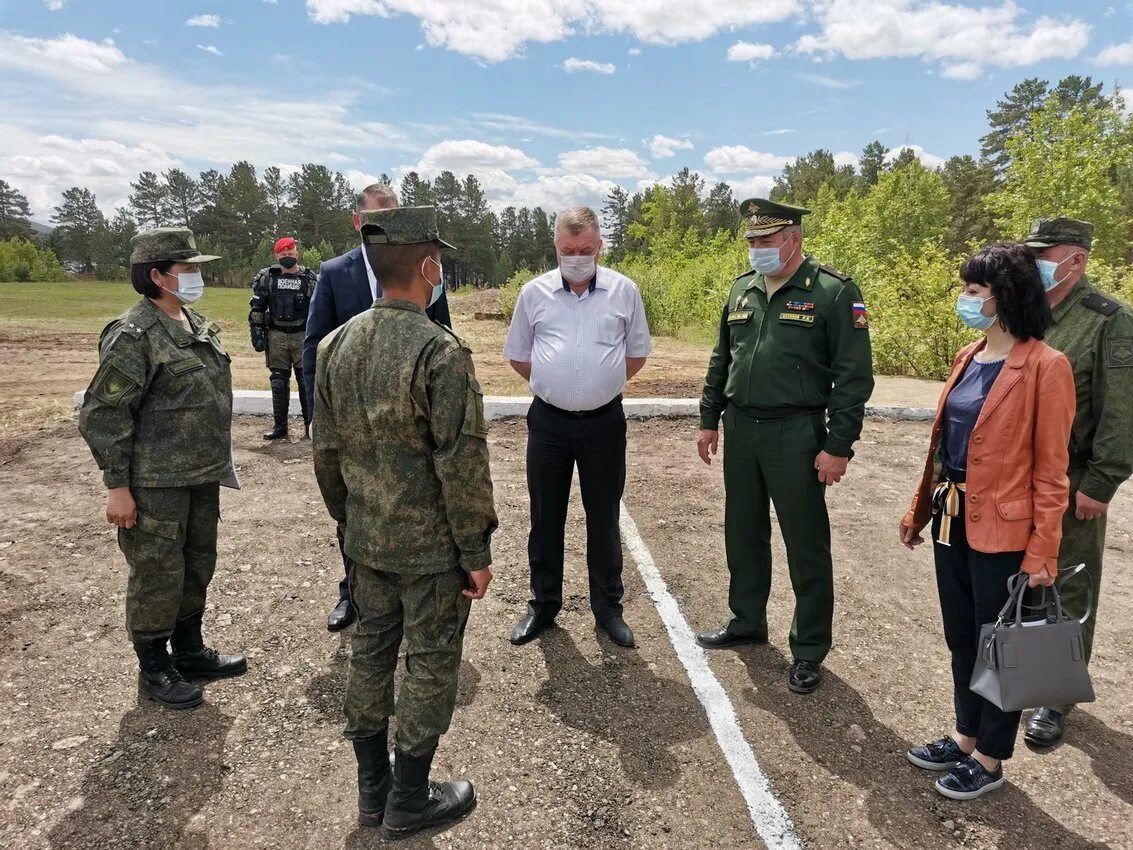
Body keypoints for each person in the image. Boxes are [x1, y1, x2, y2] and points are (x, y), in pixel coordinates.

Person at [312, 206, 496, 838]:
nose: (440, 270)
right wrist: (475, 549)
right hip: (430, 553)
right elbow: (461, 463)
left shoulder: (336, 345)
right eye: (438, 262)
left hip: (366, 541)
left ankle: (373, 793)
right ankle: (409, 797)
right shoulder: (439, 352)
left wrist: (351, 522)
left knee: (369, 651)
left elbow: (326, 452)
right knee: (431, 660)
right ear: (425, 267)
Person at [900, 242, 1074, 800]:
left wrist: (1044, 549)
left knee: (1001, 645)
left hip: (1006, 531)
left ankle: (993, 760)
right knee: (961, 638)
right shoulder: (967, 355)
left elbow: (1052, 473)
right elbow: (943, 446)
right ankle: (966, 737)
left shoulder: (1047, 367)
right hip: (952, 519)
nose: (965, 299)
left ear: (1003, 298)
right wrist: (918, 509)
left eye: (974, 291)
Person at [695, 198, 874, 694]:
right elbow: (721, 359)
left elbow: (854, 378)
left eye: (764, 240)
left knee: (805, 543)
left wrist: (839, 446)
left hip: (797, 433)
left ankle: (810, 647)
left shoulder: (834, 293)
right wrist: (709, 419)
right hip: (742, 428)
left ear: (792, 239)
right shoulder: (741, 290)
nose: (755, 249)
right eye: (750, 241)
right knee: (743, 532)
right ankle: (747, 620)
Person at [77, 227, 247, 711]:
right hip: (155, 484)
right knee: (157, 572)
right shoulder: (134, 335)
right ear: (156, 276)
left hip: (199, 475)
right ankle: (153, 667)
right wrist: (117, 486)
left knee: (197, 565)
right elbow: (103, 414)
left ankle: (189, 651)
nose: (197, 276)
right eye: (187, 268)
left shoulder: (194, 323)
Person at [304, 183, 453, 632]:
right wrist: (317, 415)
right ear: (358, 222)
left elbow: (440, 331)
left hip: (409, 418)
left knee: (413, 504)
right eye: (379, 220)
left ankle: (410, 594)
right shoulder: (334, 272)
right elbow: (315, 346)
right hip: (354, 421)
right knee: (353, 504)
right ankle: (353, 593)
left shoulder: (427, 273)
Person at [502, 206, 652, 649]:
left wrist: (598, 384)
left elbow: (637, 353)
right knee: (545, 516)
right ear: (556, 247)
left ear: (600, 246)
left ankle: (608, 608)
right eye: (568, 250)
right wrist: (556, 383)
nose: (577, 257)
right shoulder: (533, 294)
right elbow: (518, 354)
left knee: (604, 517)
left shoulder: (625, 292)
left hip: (604, 423)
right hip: (548, 423)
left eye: (586, 250)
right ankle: (543, 605)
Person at [1021, 218, 1133, 746]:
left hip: (1072, 479)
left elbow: (1121, 412)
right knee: (1022, 577)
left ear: (1077, 261)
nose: (1035, 262)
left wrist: (1101, 482)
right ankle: (1022, 674)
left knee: (1067, 582)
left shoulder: (1107, 320)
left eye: (1046, 254)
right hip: (1016, 478)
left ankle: (1054, 697)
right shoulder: (1027, 311)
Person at [249, 236, 317, 441]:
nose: (287, 257)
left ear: (297, 253)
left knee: (306, 382)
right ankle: (280, 427)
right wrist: (257, 333)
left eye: (290, 253)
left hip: (302, 335)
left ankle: (310, 427)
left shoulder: (310, 279)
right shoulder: (266, 278)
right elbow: (257, 308)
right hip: (277, 335)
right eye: (283, 254)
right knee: (278, 382)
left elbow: (318, 309)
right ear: (276, 255)